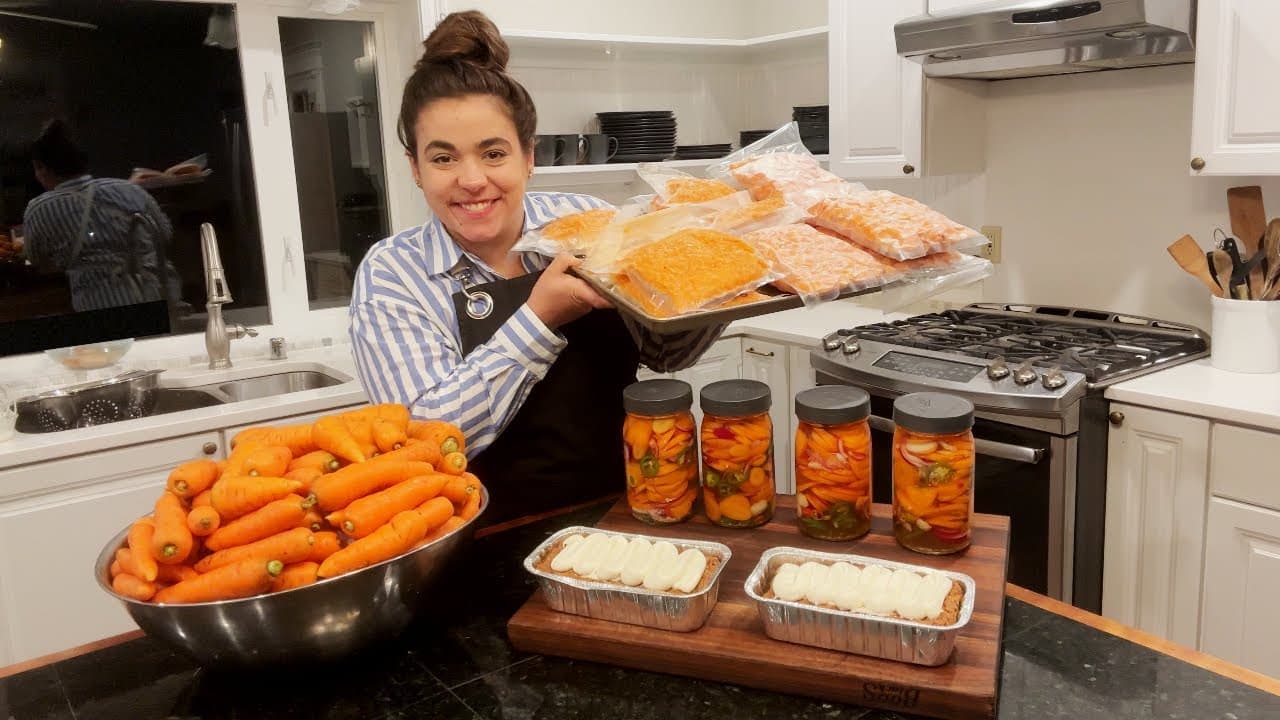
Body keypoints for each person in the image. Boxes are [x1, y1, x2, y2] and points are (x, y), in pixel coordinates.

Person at [349, 11, 722, 524]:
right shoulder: (393, 274)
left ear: (528, 156)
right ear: (415, 169)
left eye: (493, 152)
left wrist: (723, 282)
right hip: (482, 539)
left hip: (631, 509)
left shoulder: (585, 223)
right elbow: (426, 441)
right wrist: (539, 318)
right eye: (443, 159)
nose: (472, 179)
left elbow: (664, 350)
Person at [22, 119, 176, 313]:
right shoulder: (129, 189)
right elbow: (164, 234)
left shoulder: (39, 209)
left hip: (98, 304)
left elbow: (38, 261)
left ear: (41, 168)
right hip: (155, 296)